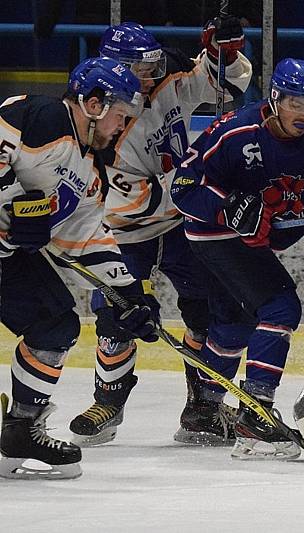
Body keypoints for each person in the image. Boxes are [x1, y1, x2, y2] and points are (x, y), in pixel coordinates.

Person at [67, 20, 252, 447]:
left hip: (183, 223)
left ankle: (204, 406)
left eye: (151, 65)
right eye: (139, 69)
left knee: (208, 308)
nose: (149, 76)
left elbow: (223, 86)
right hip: (126, 231)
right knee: (116, 317)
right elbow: (128, 203)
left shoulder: (164, 76)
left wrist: (221, 54)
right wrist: (210, 194)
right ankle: (108, 402)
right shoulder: (95, 126)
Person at [170, 57, 304, 459]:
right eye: (296, 103)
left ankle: (204, 410)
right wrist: (229, 207)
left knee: (236, 323)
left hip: (268, 238)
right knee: (279, 306)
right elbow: (185, 186)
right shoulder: (235, 131)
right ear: (275, 98)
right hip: (216, 233)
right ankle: (256, 417)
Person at [0, 57, 160, 479]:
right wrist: (18, 203)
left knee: (55, 325)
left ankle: (19, 430)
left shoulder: (91, 170)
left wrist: (129, 293)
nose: (121, 129)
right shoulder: (36, 116)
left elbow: (86, 235)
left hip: (5, 258)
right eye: (120, 117)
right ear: (93, 103)